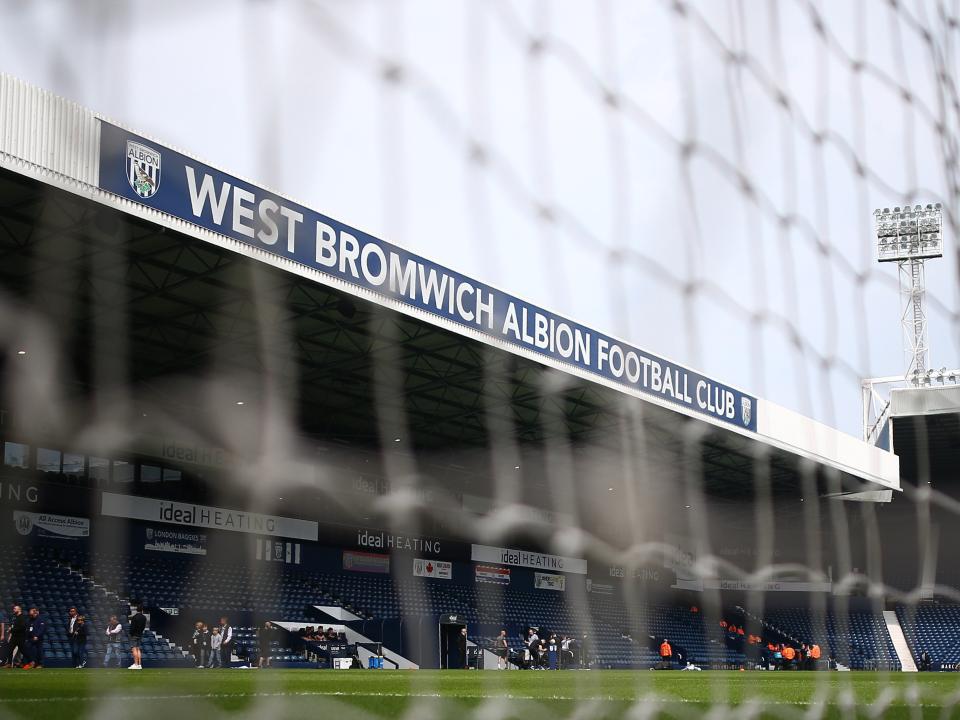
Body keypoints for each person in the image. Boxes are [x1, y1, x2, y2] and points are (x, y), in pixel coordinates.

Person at [128, 605, 146, 669]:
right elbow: (144, 627)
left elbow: (132, 628)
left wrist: (131, 634)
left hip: (134, 635)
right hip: (140, 634)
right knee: (138, 649)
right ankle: (139, 665)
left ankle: (135, 664)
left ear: (136, 610)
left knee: (134, 649)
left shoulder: (135, 617)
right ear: (142, 610)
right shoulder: (144, 617)